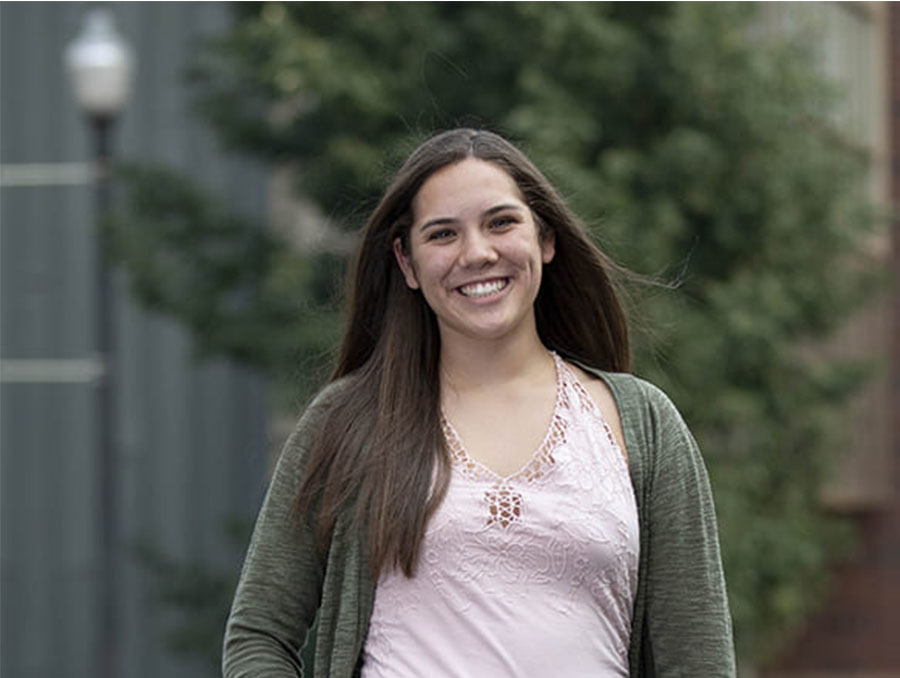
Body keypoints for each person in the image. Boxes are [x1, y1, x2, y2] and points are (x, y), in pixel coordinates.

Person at [223, 128, 736, 678]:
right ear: (407, 263)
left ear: (545, 238)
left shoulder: (642, 422)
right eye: (443, 234)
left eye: (501, 222)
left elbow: (698, 658)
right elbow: (259, 637)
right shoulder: (348, 421)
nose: (477, 253)